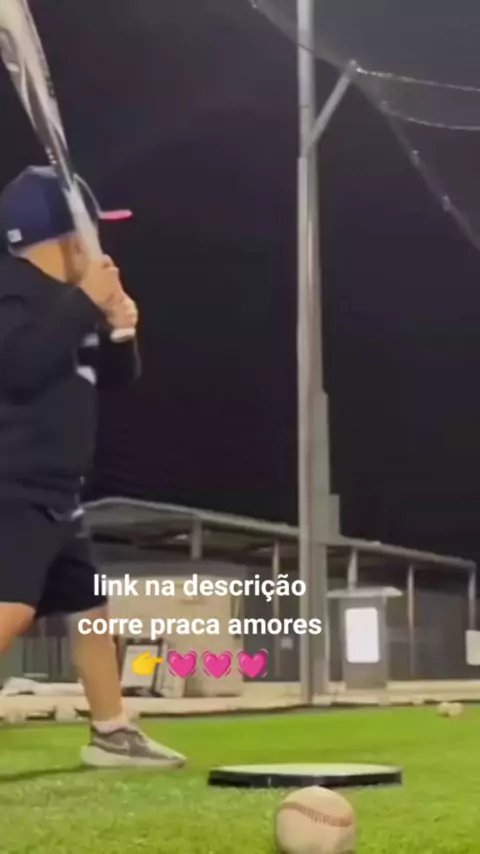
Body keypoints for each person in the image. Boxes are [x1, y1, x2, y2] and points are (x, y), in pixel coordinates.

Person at [0, 165, 185, 769]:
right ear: (63, 238)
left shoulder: (65, 303)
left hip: (59, 487)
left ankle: (111, 733)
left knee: (89, 609)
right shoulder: (12, 288)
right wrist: (85, 303)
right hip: (13, 482)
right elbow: (19, 366)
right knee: (11, 609)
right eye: (90, 232)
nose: (98, 243)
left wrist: (120, 330)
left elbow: (114, 380)